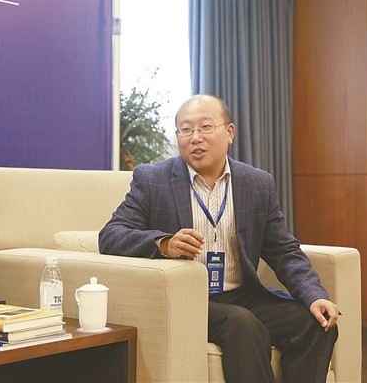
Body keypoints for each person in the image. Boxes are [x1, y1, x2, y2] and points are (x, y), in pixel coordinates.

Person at [99, 94, 339, 383]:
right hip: (186, 299)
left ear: (229, 133)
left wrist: (314, 295)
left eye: (205, 127)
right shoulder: (152, 179)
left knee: (316, 323)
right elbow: (111, 236)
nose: (195, 137)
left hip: (242, 294)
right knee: (242, 323)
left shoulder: (257, 183)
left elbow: (283, 251)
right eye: (185, 129)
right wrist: (163, 244)